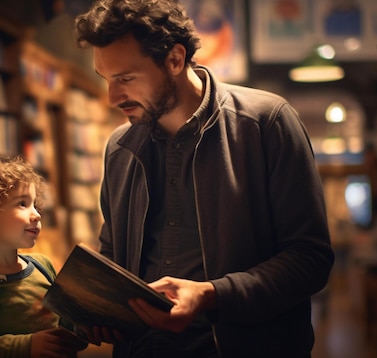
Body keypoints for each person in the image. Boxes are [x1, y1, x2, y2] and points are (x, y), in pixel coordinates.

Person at [74, 1, 335, 356]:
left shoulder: (266, 123)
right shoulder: (119, 147)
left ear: (176, 59)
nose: (112, 98)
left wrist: (211, 295)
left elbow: (310, 259)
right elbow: (114, 255)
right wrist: (98, 307)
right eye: (106, 79)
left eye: (126, 78)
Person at [0, 157, 87, 357]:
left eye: (34, 204)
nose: (36, 214)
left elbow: (63, 321)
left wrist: (80, 330)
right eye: (22, 204)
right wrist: (26, 346)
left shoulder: (43, 266)